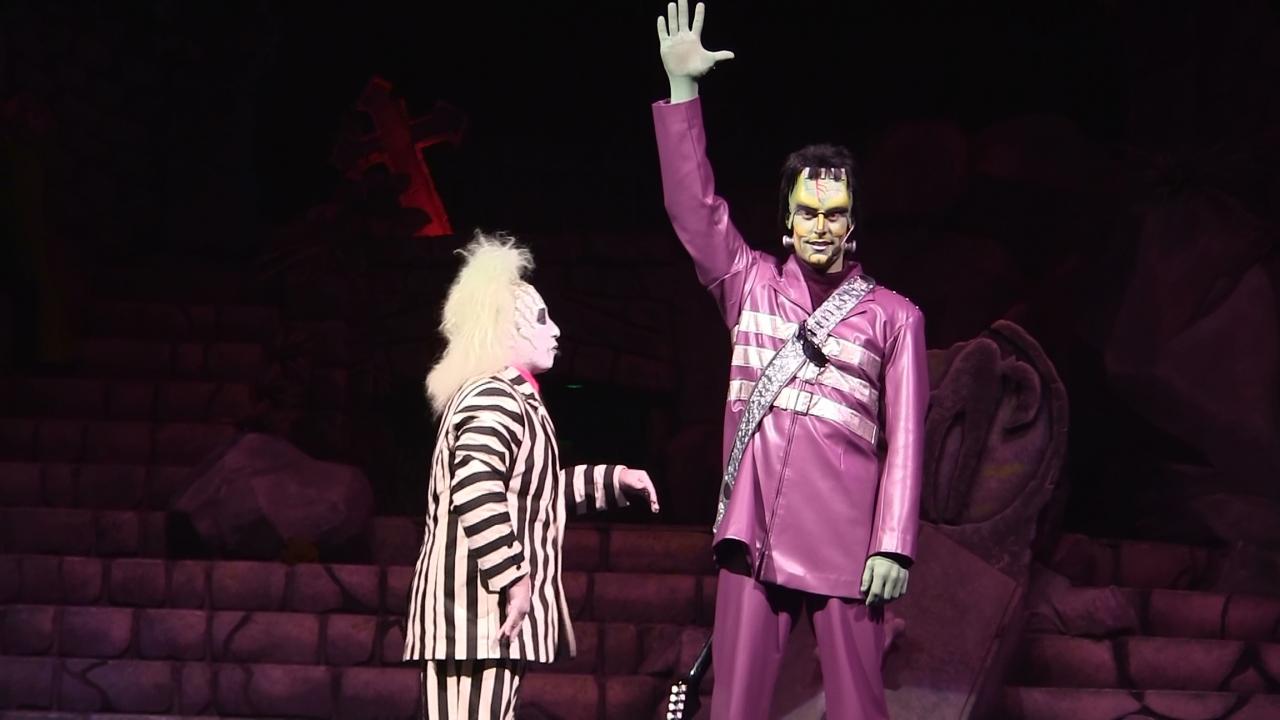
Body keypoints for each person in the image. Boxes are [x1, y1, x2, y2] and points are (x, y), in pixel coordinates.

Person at [651, 3, 928, 718]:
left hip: (850, 544)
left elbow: (905, 445)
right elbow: (694, 210)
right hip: (756, 535)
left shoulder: (896, 317)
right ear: (787, 218)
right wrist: (683, 91)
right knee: (735, 707)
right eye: (808, 212)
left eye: (834, 214)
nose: (820, 227)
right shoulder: (748, 285)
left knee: (859, 707)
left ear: (853, 221)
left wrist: (893, 545)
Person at [402, 231, 660, 719]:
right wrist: (513, 577)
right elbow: (476, 489)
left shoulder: (511, 398)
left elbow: (530, 493)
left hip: (485, 624)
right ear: (503, 328)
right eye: (541, 319)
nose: (556, 330)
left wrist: (613, 480)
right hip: (474, 619)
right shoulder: (492, 396)